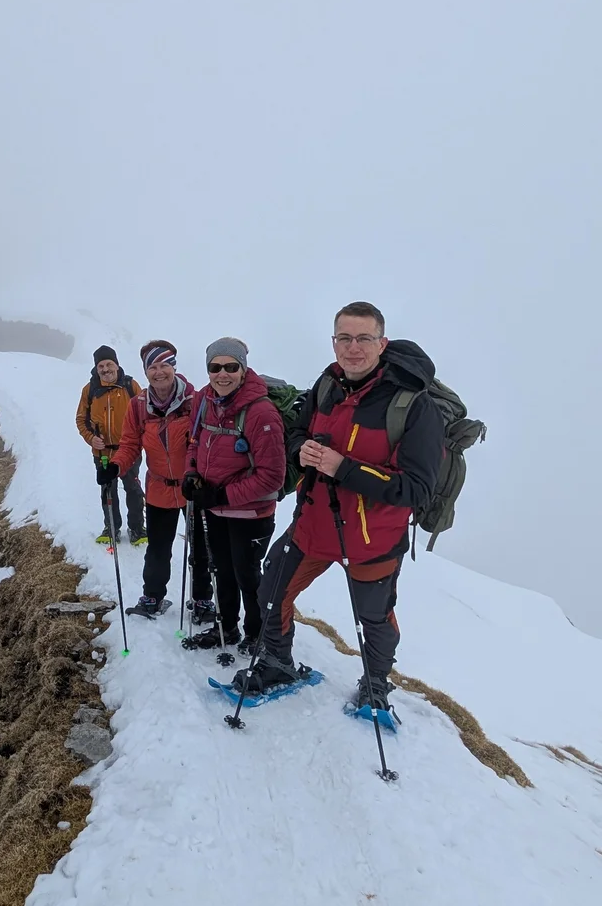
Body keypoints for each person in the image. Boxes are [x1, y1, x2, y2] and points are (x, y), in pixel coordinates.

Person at [246, 301, 444, 705]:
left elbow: (416, 488)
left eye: (364, 338)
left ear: (382, 343)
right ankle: (277, 661)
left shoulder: (412, 405)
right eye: (345, 338)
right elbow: (297, 431)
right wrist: (300, 449)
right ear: (334, 342)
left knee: (373, 618)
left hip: (372, 539)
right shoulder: (327, 385)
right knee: (271, 592)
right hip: (312, 525)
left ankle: (375, 682)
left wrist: (344, 468)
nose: (354, 348)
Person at [179, 337, 285, 654]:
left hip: (251, 514)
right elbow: (194, 443)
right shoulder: (203, 400)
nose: (222, 374)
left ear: (243, 369)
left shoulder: (261, 413)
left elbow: (272, 477)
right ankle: (226, 627)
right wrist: (190, 474)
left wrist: (221, 496)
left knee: (247, 576)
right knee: (221, 571)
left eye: (230, 367)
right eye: (215, 367)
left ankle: (256, 634)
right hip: (214, 508)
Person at [115, 341, 216, 621]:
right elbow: (129, 444)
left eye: (164, 365)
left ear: (174, 367)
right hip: (159, 488)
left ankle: (202, 599)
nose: (159, 372)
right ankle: (152, 596)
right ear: (146, 372)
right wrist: (115, 466)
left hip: (193, 488)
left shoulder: (195, 401)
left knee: (201, 548)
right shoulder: (138, 406)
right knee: (158, 548)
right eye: (152, 367)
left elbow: (209, 441)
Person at [75, 345, 146, 545]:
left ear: (116, 364)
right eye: (101, 366)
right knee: (107, 490)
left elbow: (145, 418)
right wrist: (91, 438)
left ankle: (137, 528)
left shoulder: (130, 386)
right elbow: (81, 419)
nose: (105, 369)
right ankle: (111, 527)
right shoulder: (89, 390)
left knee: (133, 489)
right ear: (96, 368)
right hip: (102, 452)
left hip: (129, 451)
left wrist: (139, 443)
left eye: (109, 364)